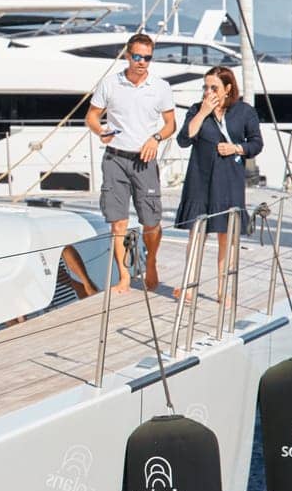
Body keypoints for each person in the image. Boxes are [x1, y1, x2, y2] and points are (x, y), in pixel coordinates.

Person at [85, 33, 175, 293]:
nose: (142, 62)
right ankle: (124, 275)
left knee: (151, 221)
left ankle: (152, 261)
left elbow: (171, 125)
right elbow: (91, 117)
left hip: (144, 160)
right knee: (118, 222)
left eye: (147, 58)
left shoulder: (160, 87)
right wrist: (100, 131)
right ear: (127, 55)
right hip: (115, 158)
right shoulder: (110, 84)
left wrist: (155, 138)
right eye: (137, 57)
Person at [174, 66, 262, 304]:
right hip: (200, 181)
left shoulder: (244, 112)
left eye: (214, 87)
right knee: (197, 234)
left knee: (227, 236)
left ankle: (225, 290)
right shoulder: (196, 109)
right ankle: (189, 286)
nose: (208, 91)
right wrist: (203, 112)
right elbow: (183, 140)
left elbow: (256, 143)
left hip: (229, 181)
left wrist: (236, 148)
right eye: (205, 87)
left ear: (228, 88)